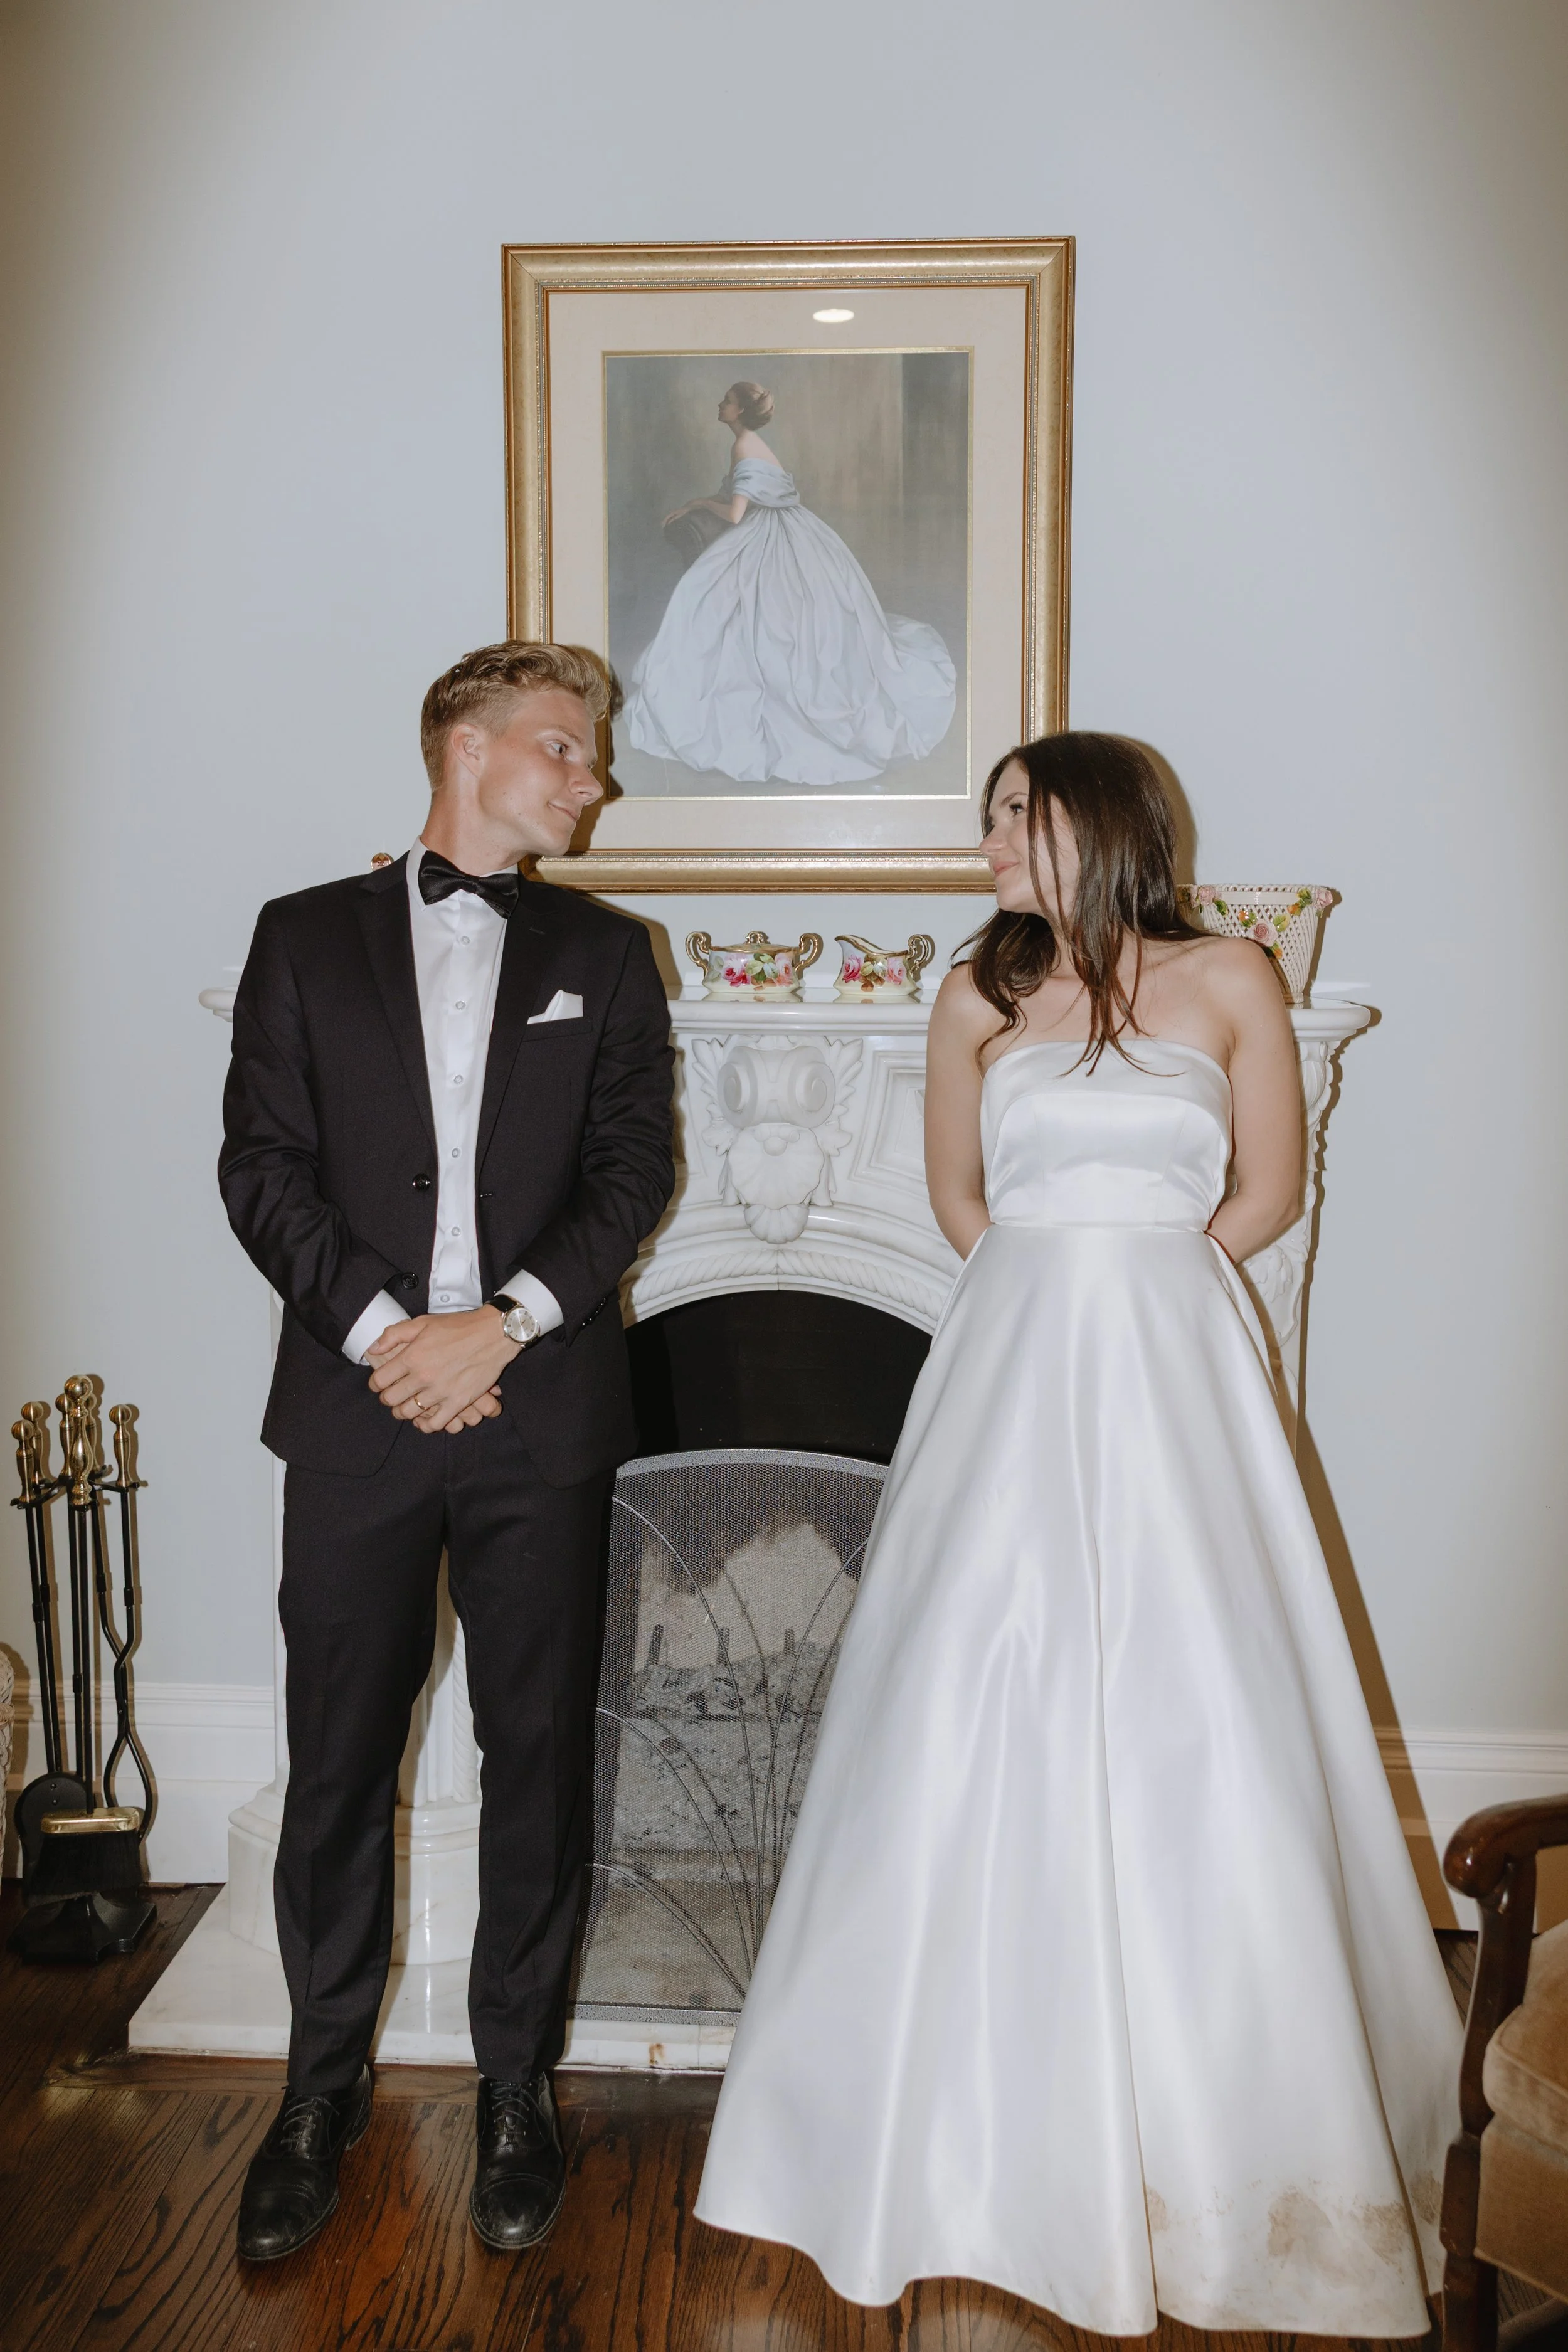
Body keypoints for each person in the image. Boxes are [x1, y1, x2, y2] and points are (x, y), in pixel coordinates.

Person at [695, 733, 1461, 2334]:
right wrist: (1047, 1284)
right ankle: (930, 2134)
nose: (986, 841)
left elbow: (1268, 1187)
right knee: (972, 1682)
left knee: (1200, 1694)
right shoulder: (978, 990)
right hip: (1011, 1351)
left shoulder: (1233, 972)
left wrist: (1150, 1280)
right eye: (982, 816)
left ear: (1100, 825)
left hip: (1170, 1355)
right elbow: (957, 1199)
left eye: (1011, 816)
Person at [218, 641, 675, 2262]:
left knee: (537, 1762)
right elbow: (260, 1168)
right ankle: (316, 2089)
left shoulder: (611, 954)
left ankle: (512, 2093)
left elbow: (632, 1172)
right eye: (565, 746)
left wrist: (507, 1322)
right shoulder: (299, 937)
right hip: (353, 1416)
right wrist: (387, 1339)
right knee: (337, 1762)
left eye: (593, 754)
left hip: (536, 1418)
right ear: (465, 747)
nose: (590, 777)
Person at [622, 379, 955, 786]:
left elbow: (736, 516)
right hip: (791, 529)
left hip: (771, 535)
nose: (720, 405)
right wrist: (701, 500)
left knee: (746, 614)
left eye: (727, 401)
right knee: (747, 613)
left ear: (740, 410)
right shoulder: (749, 445)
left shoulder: (744, 446)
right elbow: (739, 492)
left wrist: (700, 504)